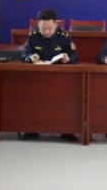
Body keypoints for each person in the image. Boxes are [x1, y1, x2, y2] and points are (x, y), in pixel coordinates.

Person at [19, 9, 78, 141]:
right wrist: (30, 58)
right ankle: (32, 130)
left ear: (56, 24)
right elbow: (24, 55)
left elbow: (74, 56)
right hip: (37, 78)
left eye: (49, 28)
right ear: (38, 25)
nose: (46, 32)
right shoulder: (32, 36)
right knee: (31, 98)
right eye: (43, 28)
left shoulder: (64, 36)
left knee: (66, 99)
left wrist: (68, 59)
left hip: (60, 78)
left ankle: (66, 130)